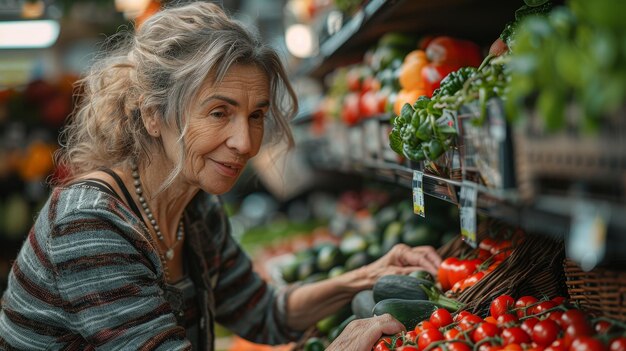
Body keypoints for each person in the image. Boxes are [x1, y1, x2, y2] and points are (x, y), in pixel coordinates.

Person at [0, 2, 441, 350]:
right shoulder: (89, 227)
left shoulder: (197, 208)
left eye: (255, 115)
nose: (246, 143)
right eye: (219, 112)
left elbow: (265, 313)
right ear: (153, 115)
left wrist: (368, 275)